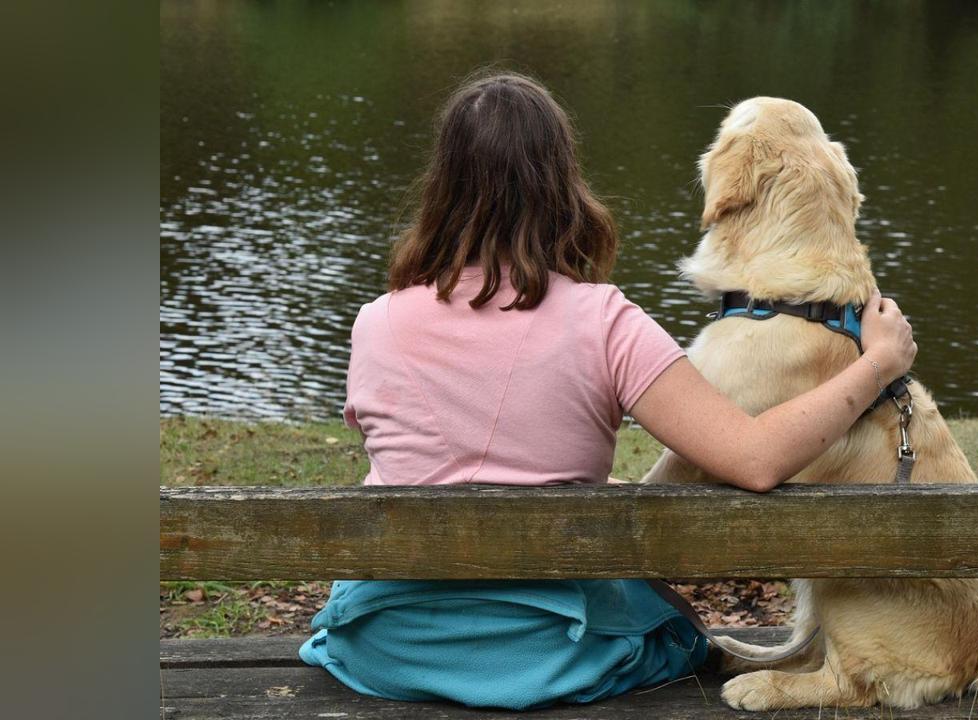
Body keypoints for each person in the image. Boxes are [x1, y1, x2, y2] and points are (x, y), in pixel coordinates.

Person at [299, 71, 916, 710]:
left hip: (384, 646)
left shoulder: (376, 322)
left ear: (443, 185)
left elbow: (425, 455)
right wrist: (878, 362)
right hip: (555, 654)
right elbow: (756, 460)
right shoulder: (604, 321)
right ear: (561, 182)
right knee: (672, 629)